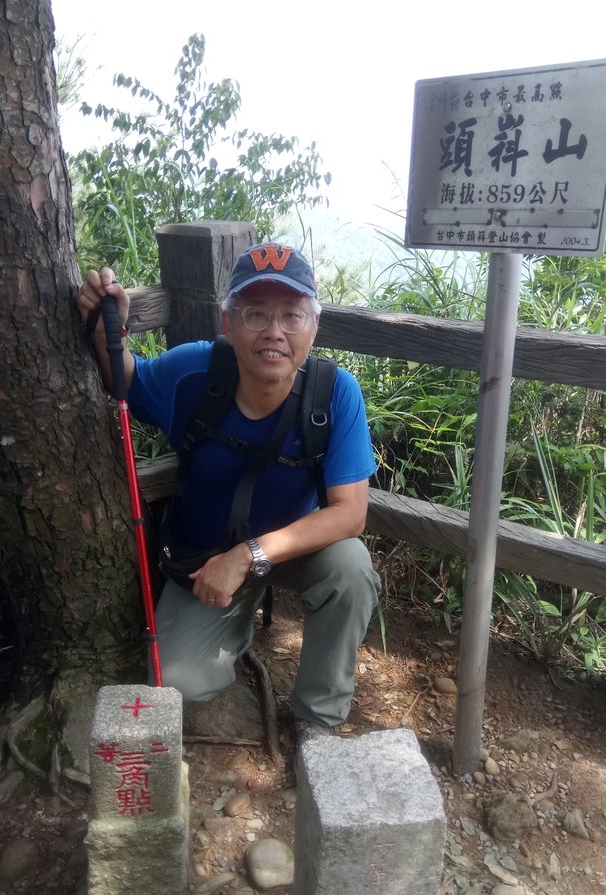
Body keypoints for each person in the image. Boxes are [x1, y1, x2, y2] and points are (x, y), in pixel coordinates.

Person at [77, 243, 380, 746]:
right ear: (229, 322)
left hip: (288, 550)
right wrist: (110, 326)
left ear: (314, 325)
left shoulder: (334, 394)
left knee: (350, 567)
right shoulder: (195, 374)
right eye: (256, 313)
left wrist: (247, 556)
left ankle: (317, 723)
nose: (274, 332)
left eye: (291, 314)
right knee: (179, 682)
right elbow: (125, 379)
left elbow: (350, 514)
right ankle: (233, 626)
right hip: (202, 560)